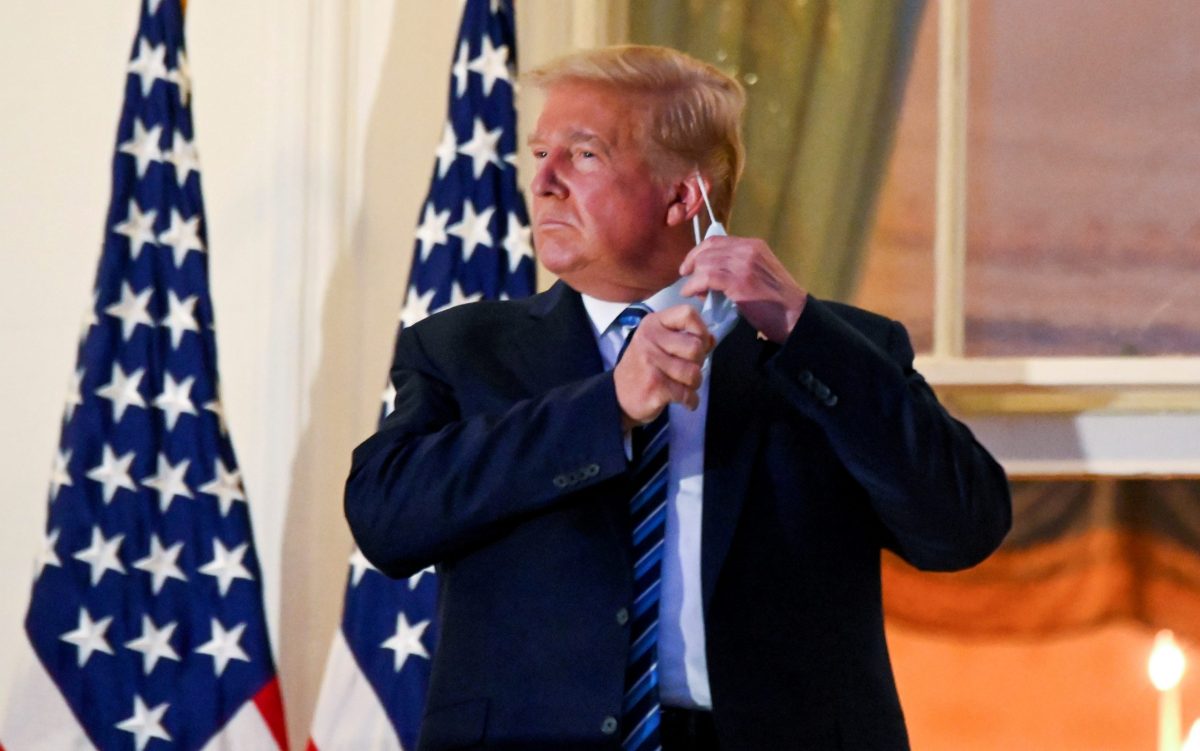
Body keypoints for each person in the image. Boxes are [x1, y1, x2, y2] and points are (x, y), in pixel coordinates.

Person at [345, 45, 1011, 751]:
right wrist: (607, 407)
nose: (542, 181)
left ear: (683, 196)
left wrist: (804, 333)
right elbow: (386, 518)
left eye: (585, 155)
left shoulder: (836, 351)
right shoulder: (462, 349)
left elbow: (962, 526)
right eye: (540, 153)